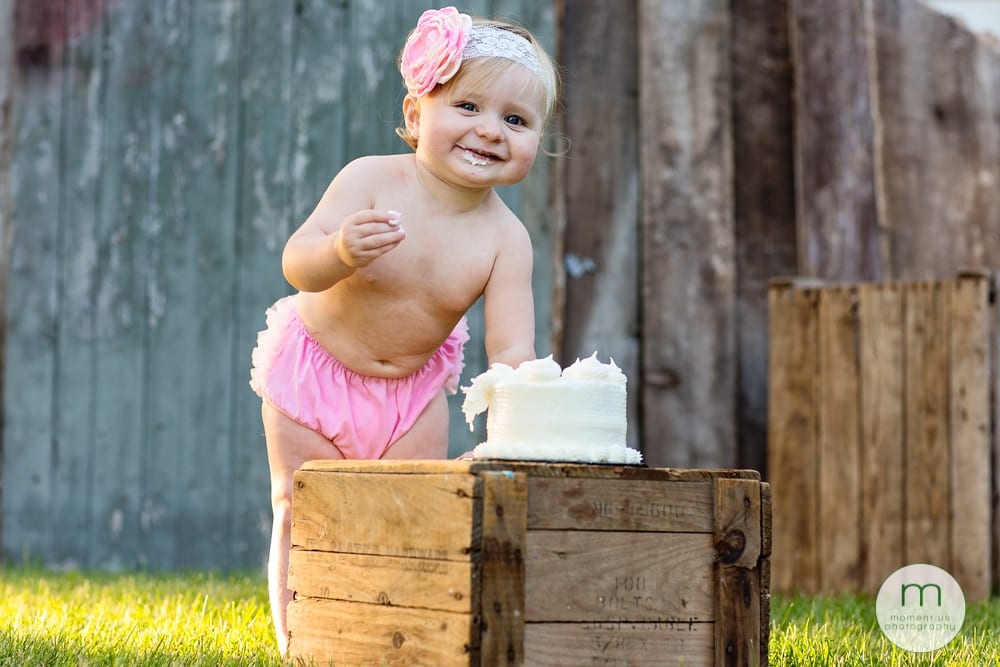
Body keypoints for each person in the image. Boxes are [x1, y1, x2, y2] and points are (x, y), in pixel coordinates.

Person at [248, 6, 560, 655]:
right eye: (468, 105)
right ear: (417, 115)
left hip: (414, 389)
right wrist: (338, 251)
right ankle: (301, 642)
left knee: (405, 513)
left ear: (537, 139)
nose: (489, 130)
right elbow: (296, 263)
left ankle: (387, 637)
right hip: (316, 371)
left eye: (515, 119)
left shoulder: (506, 239)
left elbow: (510, 351)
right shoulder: (370, 179)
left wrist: (522, 417)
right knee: (303, 506)